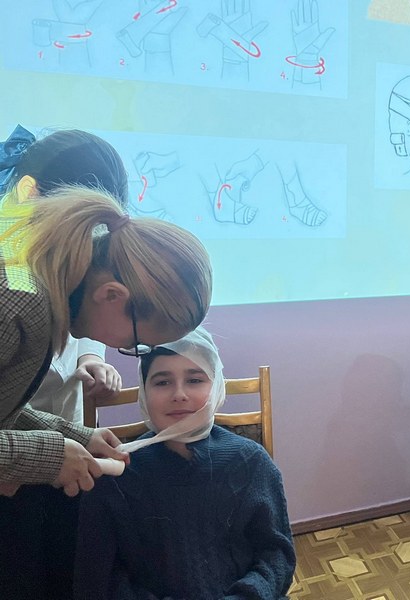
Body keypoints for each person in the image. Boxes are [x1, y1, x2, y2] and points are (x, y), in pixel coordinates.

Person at [0, 184, 212, 598]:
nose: (124, 350)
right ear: (112, 295)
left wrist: (77, 436)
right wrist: (47, 456)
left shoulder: (37, 284)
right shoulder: (18, 305)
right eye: (137, 343)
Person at [75, 328, 296, 599]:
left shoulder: (252, 463)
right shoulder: (116, 474)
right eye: (162, 382)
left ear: (216, 387)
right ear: (144, 391)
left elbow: (277, 553)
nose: (179, 394)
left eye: (194, 380)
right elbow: (99, 577)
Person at [0, 125, 130, 423]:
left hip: (59, 416)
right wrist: (54, 445)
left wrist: (90, 354)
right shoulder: (13, 286)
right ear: (29, 192)